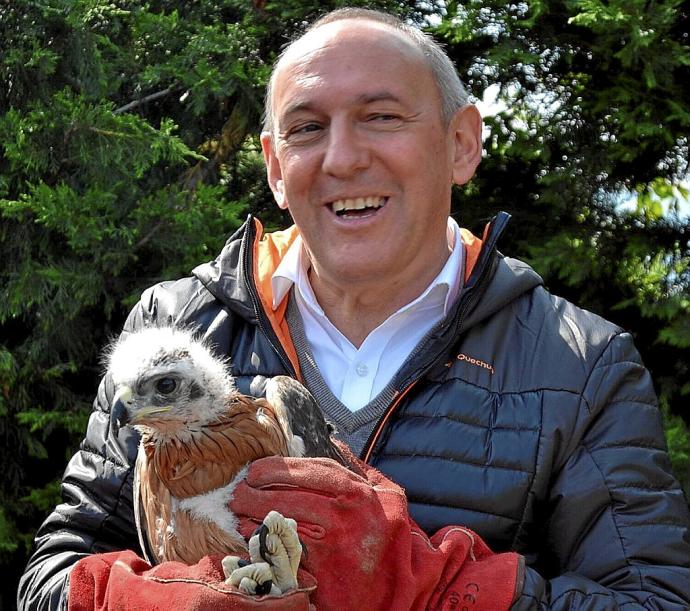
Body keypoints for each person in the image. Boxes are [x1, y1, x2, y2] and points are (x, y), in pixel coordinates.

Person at [18, 7, 690, 610]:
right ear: (276, 167)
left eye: (381, 116)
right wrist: (145, 602)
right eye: (307, 128)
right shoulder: (173, 331)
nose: (341, 157)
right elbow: (50, 576)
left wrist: (427, 584)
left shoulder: (582, 366)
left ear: (461, 144)